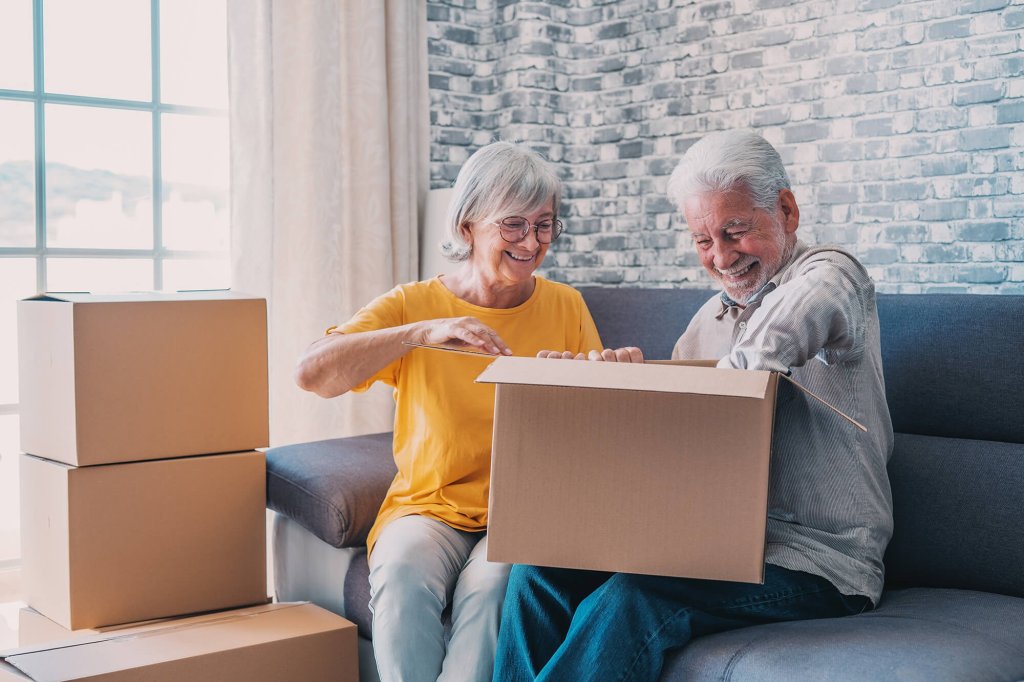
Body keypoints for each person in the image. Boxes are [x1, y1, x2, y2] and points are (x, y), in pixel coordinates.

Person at [494, 129, 894, 681]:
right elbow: (666, 463)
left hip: (819, 563)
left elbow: (766, 352)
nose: (722, 257)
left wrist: (679, 396)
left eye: (735, 231)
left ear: (787, 210)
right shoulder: (706, 322)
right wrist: (624, 395)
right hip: (712, 550)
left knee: (632, 598)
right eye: (704, 241)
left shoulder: (832, 275)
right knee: (536, 571)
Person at [293, 141, 603, 682]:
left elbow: (597, 427)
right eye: (513, 225)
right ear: (467, 227)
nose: (532, 242)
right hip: (426, 508)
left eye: (544, 224)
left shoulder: (566, 306)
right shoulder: (415, 304)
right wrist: (423, 333)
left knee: (493, 592)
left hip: (523, 515)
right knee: (404, 572)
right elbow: (312, 373)